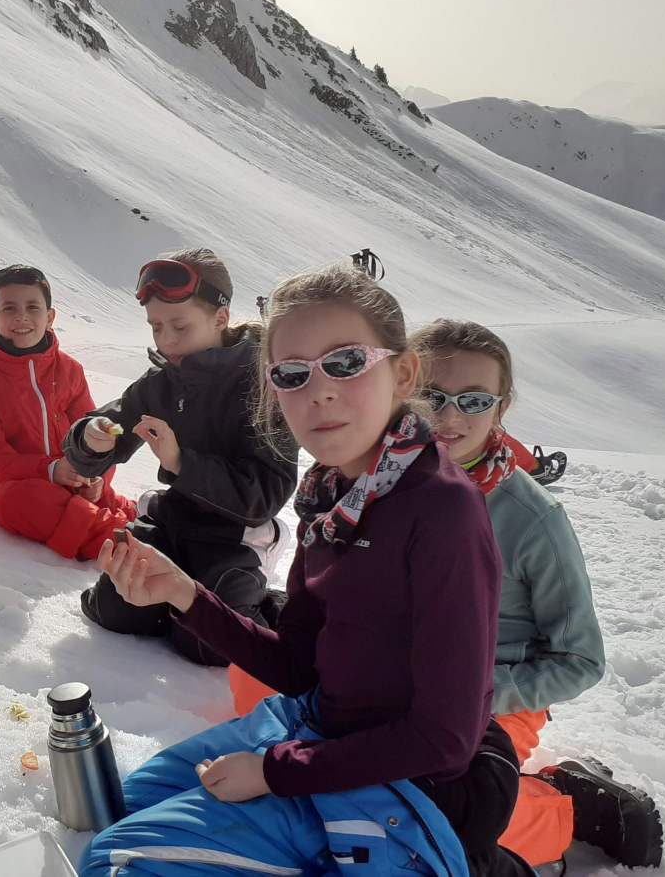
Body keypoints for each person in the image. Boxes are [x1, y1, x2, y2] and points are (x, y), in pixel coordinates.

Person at [78, 262, 531, 877]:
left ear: (402, 373)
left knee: (117, 860)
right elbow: (298, 665)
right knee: (115, 808)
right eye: (292, 373)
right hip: (317, 726)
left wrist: (273, 772)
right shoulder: (330, 496)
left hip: (401, 782)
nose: (318, 391)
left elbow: (444, 738)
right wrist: (183, 593)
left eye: (345, 362)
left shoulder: (441, 509)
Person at [411, 319, 661, 869]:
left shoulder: (532, 520)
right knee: (255, 685)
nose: (450, 416)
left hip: (489, 698)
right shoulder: (376, 484)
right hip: (389, 679)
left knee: (419, 808)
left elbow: (580, 660)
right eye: (432, 396)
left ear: (500, 410)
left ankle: (565, 811)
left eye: (474, 400)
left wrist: (468, 694)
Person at [60, 250, 295, 665]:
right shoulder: (163, 380)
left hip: (233, 539)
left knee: (207, 645)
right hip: (170, 527)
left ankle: (272, 608)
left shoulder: (264, 385)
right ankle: (171, 608)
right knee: (112, 612)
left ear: (220, 318)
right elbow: (107, 428)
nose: (166, 339)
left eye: (180, 325)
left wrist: (181, 462)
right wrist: (90, 439)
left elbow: (267, 495)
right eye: (156, 326)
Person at [0, 265, 137, 559]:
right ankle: (121, 537)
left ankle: (123, 511)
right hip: (19, 484)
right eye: (9, 308)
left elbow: (93, 435)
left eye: (32, 307)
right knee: (11, 501)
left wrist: (95, 476)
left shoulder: (69, 369)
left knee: (99, 486)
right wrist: (50, 471)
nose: (21, 317)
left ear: (50, 317)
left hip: (75, 479)